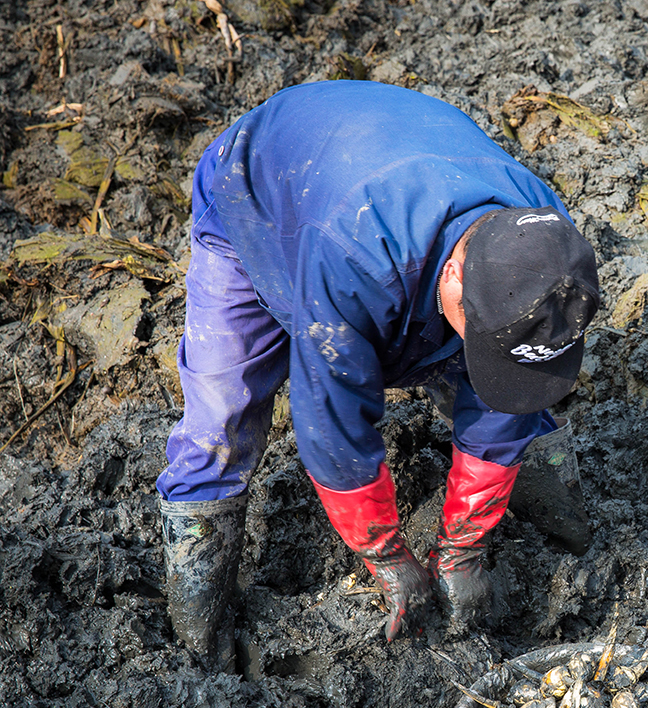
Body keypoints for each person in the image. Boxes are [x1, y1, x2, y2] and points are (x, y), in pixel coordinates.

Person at [156, 81, 601, 671]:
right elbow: (332, 426)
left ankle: (566, 525)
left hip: (393, 182)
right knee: (222, 418)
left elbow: (515, 380)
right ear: (455, 284)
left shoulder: (547, 246)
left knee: (504, 379)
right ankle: (199, 642)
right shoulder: (354, 261)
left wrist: (464, 546)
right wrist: (387, 557)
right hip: (261, 196)